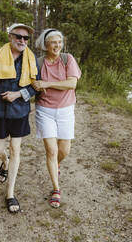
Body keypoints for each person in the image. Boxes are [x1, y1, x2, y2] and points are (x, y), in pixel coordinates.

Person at [0, 23, 39, 214]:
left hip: (20, 112)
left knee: (16, 149)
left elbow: (35, 86)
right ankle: (4, 163)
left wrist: (18, 94)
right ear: (10, 37)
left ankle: (10, 193)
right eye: (18, 36)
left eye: (26, 38)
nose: (22, 41)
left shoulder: (31, 60)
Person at [32, 28, 81, 208]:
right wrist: (36, 84)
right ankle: (56, 189)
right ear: (46, 45)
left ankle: (56, 165)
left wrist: (48, 83)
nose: (57, 46)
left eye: (59, 42)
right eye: (53, 42)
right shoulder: (38, 63)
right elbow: (32, 82)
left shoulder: (68, 59)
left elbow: (72, 84)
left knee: (64, 151)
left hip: (66, 110)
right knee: (51, 151)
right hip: (44, 110)